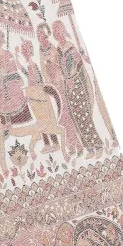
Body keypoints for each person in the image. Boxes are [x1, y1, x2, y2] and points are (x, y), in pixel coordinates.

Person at [52, 19, 103, 157]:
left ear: (63, 30)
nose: (56, 33)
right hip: (68, 87)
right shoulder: (58, 50)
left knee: (85, 116)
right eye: (54, 31)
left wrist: (72, 78)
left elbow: (77, 64)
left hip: (77, 85)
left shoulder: (70, 47)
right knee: (76, 118)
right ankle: (89, 148)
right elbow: (59, 68)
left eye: (58, 30)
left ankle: (97, 145)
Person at [36, 23, 81, 155]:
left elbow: (59, 66)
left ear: (46, 34)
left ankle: (78, 144)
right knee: (59, 118)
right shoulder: (41, 51)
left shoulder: (54, 49)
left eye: (41, 34)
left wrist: (55, 77)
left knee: (67, 116)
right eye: (37, 34)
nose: (39, 36)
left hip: (59, 85)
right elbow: (43, 70)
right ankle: (70, 145)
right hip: (51, 88)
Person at [0, 24, 30, 125]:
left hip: (10, 80)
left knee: (11, 99)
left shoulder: (6, 53)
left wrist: (7, 72)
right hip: (3, 80)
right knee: (1, 100)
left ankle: (16, 120)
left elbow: (12, 67)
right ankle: (7, 122)